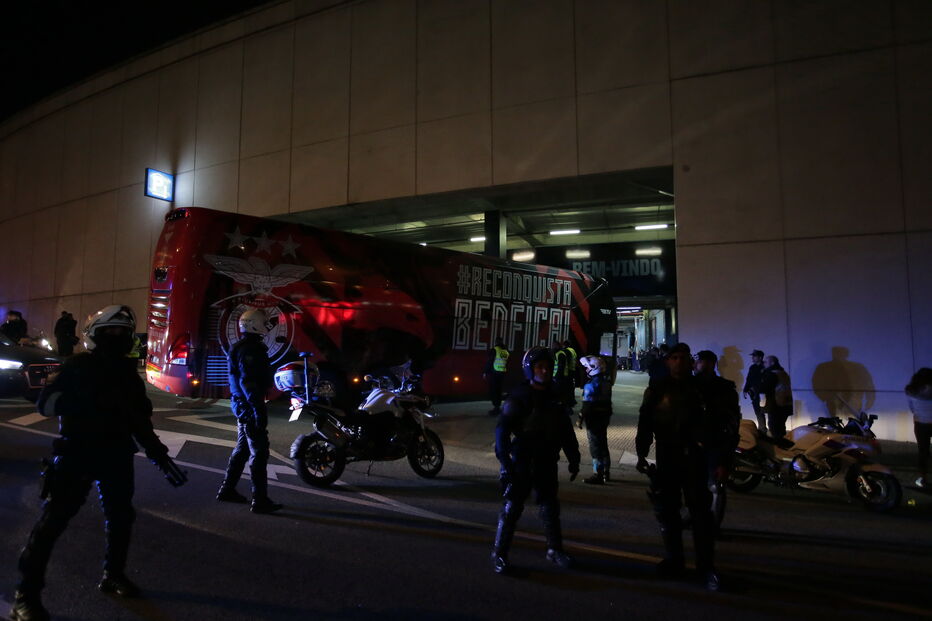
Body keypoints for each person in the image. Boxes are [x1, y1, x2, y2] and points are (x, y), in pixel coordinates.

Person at [11, 305, 187, 621]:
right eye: (110, 332)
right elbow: (46, 405)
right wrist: (83, 397)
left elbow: (139, 422)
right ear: (96, 335)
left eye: (122, 332)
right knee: (52, 523)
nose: (117, 337)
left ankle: (113, 575)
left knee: (121, 518)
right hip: (76, 454)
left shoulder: (128, 375)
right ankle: (25, 595)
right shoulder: (77, 366)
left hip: (116, 455)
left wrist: (159, 456)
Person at [635, 343, 721, 591]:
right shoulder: (657, 389)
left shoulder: (703, 390)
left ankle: (705, 566)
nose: (679, 362)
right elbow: (645, 421)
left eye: (683, 357)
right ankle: (675, 560)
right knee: (668, 511)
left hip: (696, 457)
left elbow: (718, 426)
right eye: (674, 357)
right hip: (667, 455)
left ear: (690, 361)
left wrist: (719, 460)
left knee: (700, 514)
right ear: (667, 361)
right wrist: (641, 452)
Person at [491, 346, 581, 574]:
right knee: (512, 507)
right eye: (540, 367)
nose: (545, 371)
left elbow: (565, 430)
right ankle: (499, 554)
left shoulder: (555, 397)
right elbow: (502, 432)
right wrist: (506, 464)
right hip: (523, 460)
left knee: (550, 507)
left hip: (547, 459)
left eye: (548, 367)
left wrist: (574, 456)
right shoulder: (519, 397)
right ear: (530, 369)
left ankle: (555, 550)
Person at [217, 309, 282, 514]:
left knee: (243, 449)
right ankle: (259, 500)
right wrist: (257, 410)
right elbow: (248, 382)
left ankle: (227, 490)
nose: (267, 326)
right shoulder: (251, 350)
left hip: (242, 404)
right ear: (254, 324)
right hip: (248, 406)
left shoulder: (244, 346)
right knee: (259, 452)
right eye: (264, 322)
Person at [693, 350, 741, 530]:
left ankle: (712, 525)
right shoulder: (688, 385)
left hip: (715, 442)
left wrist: (727, 451)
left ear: (713, 364)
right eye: (700, 362)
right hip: (693, 442)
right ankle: (697, 518)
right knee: (694, 485)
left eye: (706, 362)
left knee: (716, 486)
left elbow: (732, 421)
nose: (702, 365)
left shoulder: (724, 388)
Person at [578, 355, 613, 484]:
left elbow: (587, 405)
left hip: (593, 419)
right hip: (604, 418)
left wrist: (580, 418)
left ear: (594, 368)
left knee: (595, 446)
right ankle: (606, 472)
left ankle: (598, 473)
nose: (586, 370)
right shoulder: (606, 383)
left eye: (587, 368)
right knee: (603, 443)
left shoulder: (590, 385)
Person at [906, 368, 932, 489]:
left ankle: (923, 478)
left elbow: (912, 409)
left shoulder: (911, 391)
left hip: (920, 424)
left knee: (923, 452)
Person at [759, 355, 793, 438]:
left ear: (772, 363)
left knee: (774, 428)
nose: (764, 363)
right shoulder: (783, 373)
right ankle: (782, 442)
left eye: (766, 362)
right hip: (786, 404)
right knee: (781, 426)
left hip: (776, 405)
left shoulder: (772, 374)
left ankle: (778, 444)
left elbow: (764, 388)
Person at [483, 338, 510, 416]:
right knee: (498, 390)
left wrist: (485, 371)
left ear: (496, 342)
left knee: (494, 390)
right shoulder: (506, 351)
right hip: (502, 373)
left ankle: (496, 408)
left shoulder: (494, 350)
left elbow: (490, 361)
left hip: (494, 373)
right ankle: (497, 407)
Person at [742, 349, 765, 432]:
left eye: (754, 356)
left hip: (763, 393)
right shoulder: (752, 367)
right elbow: (749, 379)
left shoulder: (765, 367)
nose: (752, 358)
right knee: (758, 411)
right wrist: (745, 389)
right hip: (754, 393)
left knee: (763, 411)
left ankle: (763, 429)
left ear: (760, 357)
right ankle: (762, 428)